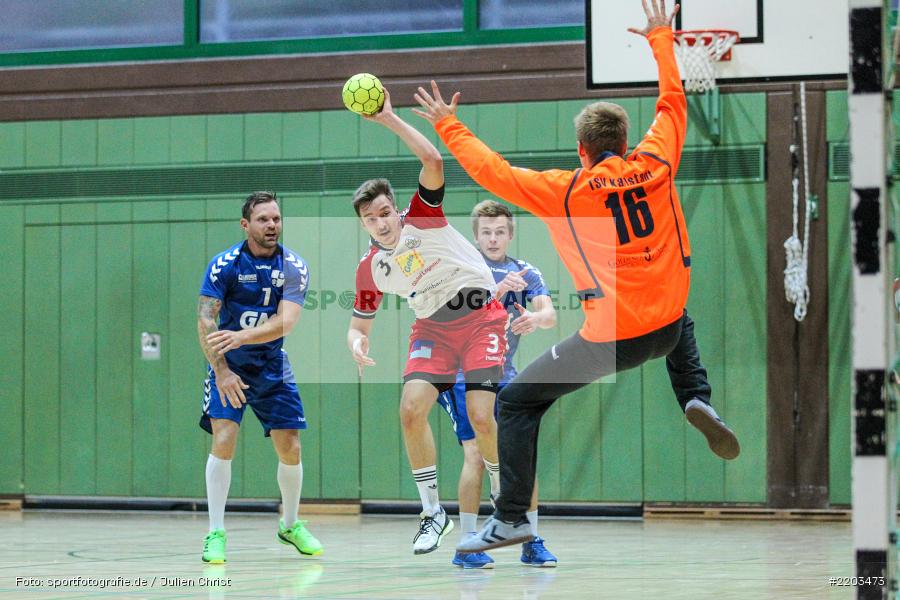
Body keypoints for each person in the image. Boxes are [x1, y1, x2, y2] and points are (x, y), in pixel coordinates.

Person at [412, 0, 741, 553]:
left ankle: (512, 517)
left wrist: (448, 122)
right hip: (666, 325)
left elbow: (489, 168)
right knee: (678, 316)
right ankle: (694, 395)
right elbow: (673, 101)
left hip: (613, 337)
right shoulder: (657, 161)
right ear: (624, 140)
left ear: (582, 151)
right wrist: (662, 37)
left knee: (516, 401)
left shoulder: (565, 189)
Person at [346, 89, 508, 555]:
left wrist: (390, 119)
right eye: (369, 219)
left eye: (382, 213)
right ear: (362, 224)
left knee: (481, 417)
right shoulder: (371, 268)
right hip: (433, 329)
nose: (379, 224)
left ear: (394, 209)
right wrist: (356, 343)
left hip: (479, 316)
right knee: (410, 408)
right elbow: (359, 323)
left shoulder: (422, 215)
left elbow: (433, 158)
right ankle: (432, 513)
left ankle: (502, 488)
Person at [197, 191, 322, 563]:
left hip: (272, 363)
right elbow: (206, 320)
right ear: (245, 224)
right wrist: (221, 370)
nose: (272, 225)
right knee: (225, 436)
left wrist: (241, 335)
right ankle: (215, 532)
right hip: (229, 366)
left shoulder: (295, 266)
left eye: (277, 219)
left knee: (291, 447)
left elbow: (286, 322)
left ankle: (290, 524)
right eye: (264, 219)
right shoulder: (225, 265)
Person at [437, 200, 558, 569]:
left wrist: (536, 319)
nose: (493, 238)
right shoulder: (462, 268)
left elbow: (549, 313)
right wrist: (495, 292)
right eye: (486, 232)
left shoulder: (525, 271)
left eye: (500, 232)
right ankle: (468, 544)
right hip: (464, 377)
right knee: (475, 455)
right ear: (476, 236)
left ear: (510, 234)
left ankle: (531, 539)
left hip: (506, 375)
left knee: (522, 457)